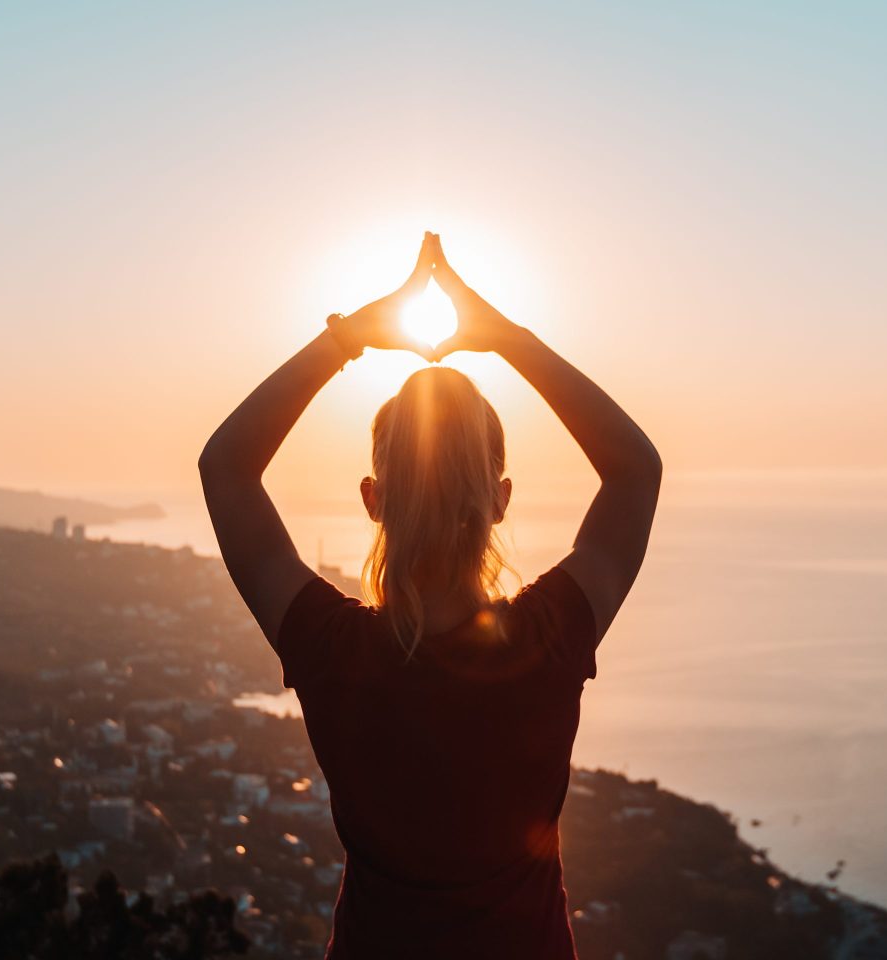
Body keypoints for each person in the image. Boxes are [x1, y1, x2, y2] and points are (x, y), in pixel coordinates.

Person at [199, 232, 661, 959]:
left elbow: (225, 468)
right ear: (501, 500)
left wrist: (349, 337)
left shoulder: (332, 650)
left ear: (372, 499)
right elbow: (636, 471)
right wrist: (508, 340)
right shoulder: (548, 640)